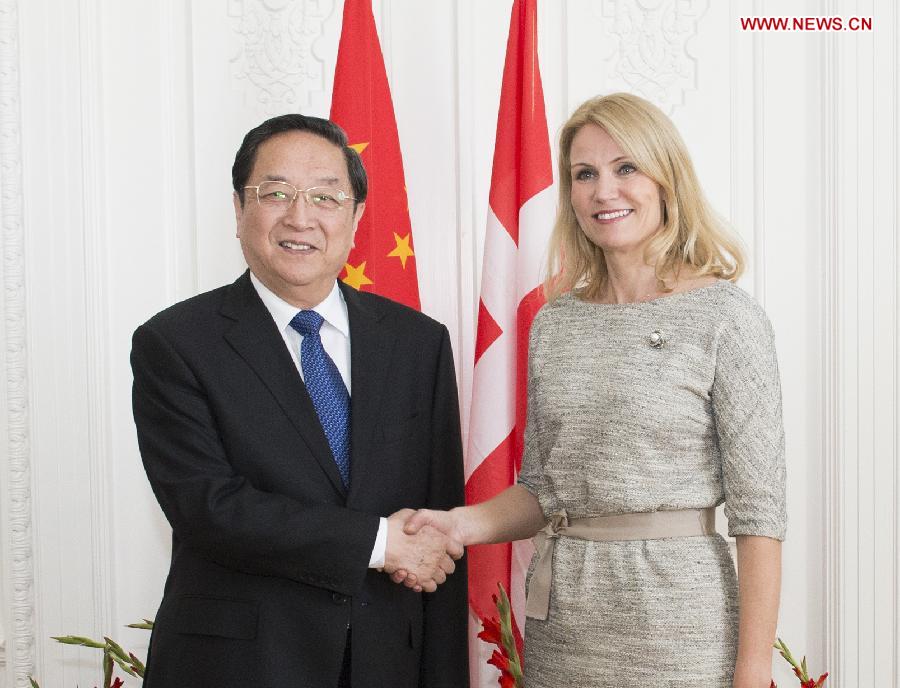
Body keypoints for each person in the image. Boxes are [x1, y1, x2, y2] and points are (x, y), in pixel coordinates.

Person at [401, 93, 785, 688]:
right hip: (565, 626)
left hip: (682, 632)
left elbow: (760, 513)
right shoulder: (557, 322)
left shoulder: (725, 317)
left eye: (625, 167)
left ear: (666, 179)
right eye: (585, 174)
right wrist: (459, 525)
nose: (604, 190)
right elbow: (543, 490)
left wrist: (754, 669)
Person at [131, 114, 468, 688]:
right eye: (276, 193)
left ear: (357, 216)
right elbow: (209, 508)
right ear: (239, 209)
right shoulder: (176, 343)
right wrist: (380, 543)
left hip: (387, 661)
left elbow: (438, 529)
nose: (301, 216)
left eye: (325, 196)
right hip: (239, 666)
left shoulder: (418, 343)